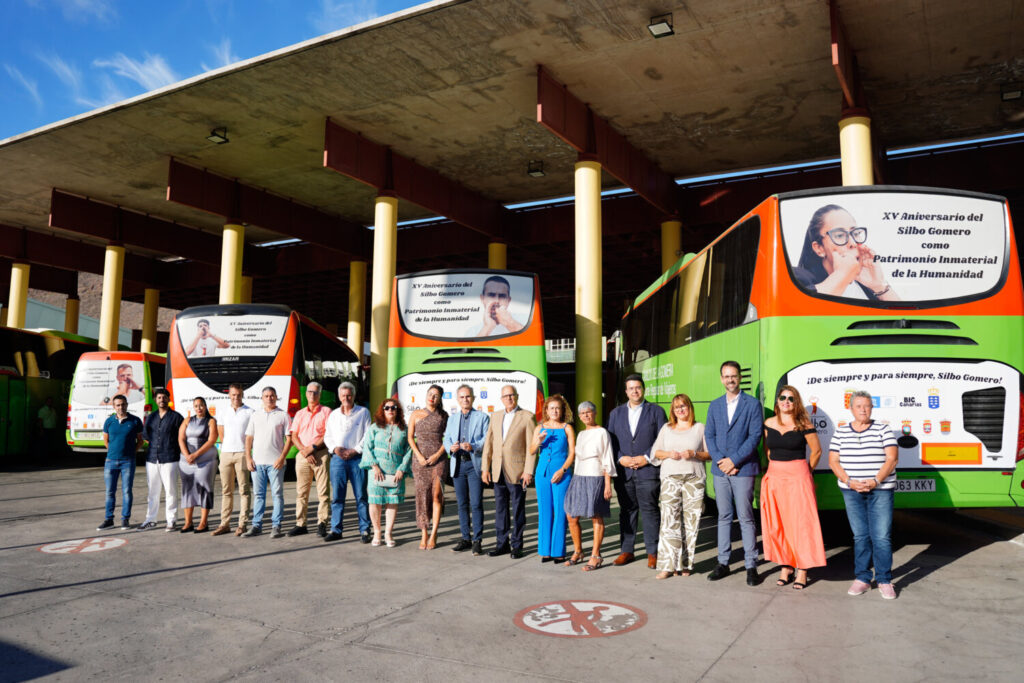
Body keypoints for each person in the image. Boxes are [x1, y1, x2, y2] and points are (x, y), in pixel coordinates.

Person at [829, 390, 899, 599]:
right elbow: (833, 461)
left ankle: (885, 580)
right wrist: (850, 482)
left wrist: (875, 481)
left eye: (867, 406)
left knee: (881, 537)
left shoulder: (883, 430)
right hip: (852, 491)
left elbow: (892, 459)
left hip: (880, 491)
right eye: (858, 406)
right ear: (851, 409)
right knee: (860, 536)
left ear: (872, 408)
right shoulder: (841, 432)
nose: (863, 409)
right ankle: (862, 578)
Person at [761, 386, 827, 589]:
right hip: (774, 477)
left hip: (798, 477)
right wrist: (777, 469)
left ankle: (803, 569)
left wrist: (805, 471)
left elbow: (816, 451)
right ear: (777, 401)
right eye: (782, 397)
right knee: (778, 523)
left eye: (791, 398)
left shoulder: (804, 424)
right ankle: (786, 566)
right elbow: (768, 450)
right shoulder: (768, 423)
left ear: (796, 402)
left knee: (802, 524)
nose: (786, 401)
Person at [706, 360, 764, 586]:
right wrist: (723, 462)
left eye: (734, 376)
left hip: (743, 468)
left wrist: (734, 460)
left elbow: (755, 436)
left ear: (739, 378)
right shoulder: (715, 405)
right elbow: (709, 436)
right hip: (721, 471)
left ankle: (751, 565)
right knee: (724, 516)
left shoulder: (752, 404)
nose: (730, 379)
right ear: (721, 379)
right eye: (726, 376)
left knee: (746, 517)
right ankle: (723, 562)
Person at [606, 374, 666, 568]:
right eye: (631, 388)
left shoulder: (656, 411)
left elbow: (662, 439)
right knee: (627, 511)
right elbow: (610, 441)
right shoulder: (616, 414)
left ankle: (653, 552)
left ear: (644, 389)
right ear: (626, 391)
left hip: (648, 470)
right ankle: (627, 550)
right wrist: (620, 458)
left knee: (650, 511)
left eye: (638, 387)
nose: (635, 391)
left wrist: (646, 458)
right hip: (625, 472)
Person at [651, 393, 710, 579]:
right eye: (677, 407)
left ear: (689, 408)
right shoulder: (667, 428)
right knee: (669, 521)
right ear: (673, 411)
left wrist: (694, 453)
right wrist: (669, 454)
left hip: (693, 478)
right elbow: (655, 453)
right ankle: (668, 566)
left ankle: (685, 564)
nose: (681, 410)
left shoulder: (699, 428)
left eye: (683, 406)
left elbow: (709, 454)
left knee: (691, 522)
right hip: (670, 478)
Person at [794, 204, 900, 301]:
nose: (853, 243)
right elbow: (801, 309)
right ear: (819, 248)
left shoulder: (865, 285)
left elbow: (903, 318)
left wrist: (879, 287)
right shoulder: (798, 279)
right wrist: (842, 275)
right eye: (840, 235)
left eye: (856, 233)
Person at [481, 385, 536, 558]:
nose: (509, 398)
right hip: (498, 470)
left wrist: (528, 471)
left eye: (512, 395)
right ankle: (501, 544)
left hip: (518, 471)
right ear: (501, 398)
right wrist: (485, 468)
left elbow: (531, 447)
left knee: (518, 509)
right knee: (500, 509)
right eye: (505, 396)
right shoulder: (495, 416)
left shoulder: (527, 417)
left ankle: (517, 545)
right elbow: (488, 444)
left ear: (517, 396)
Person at [563, 401, 615, 572]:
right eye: (582, 413)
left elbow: (607, 457)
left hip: (596, 476)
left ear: (595, 413)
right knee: (571, 515)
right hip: (579, 476)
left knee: (596, 516)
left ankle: (596, 555)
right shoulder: (581, 434)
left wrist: (607, 484)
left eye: (589, 412)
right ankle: (578, 551)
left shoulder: (602, 432)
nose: (586, 415)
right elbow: (577, 458)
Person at [359, 398, 413, 547]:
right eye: (387, 408)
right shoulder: (374, 427)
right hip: (376, 472)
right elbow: (367, 448)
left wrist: (402, 469)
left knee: (392, 502)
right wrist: (374, 466)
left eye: (393, 407)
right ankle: (377, 532)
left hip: (396, 473)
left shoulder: (405, 429)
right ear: (382, 410)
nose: (390, 410)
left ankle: (388, 533)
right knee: (375, 502)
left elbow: (409, 450)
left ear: (398, 410)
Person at [443, 384, 489, 555]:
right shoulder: (452, 419)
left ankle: (477, 540)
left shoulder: (482, 417)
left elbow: (487, 440)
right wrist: (450, 448)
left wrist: (474, 446)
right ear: (457, 399)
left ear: (473, 398)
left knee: (476, 503)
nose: (465, 400)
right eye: (462, 397)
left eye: (468, 396)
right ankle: (465, 538)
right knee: (462, 504)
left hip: (473, 464)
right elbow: (446, 439)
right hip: (458, 464)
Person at [324, 381, 372, 543]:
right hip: (338, 459)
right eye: (343, 395)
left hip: (357, 458)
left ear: (354, 395)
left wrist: (355, 450)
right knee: (337, 497)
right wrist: (335, 449)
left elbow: (368, 435)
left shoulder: (363, 412)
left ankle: (365, 530)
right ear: (339, 396)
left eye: (349, 395)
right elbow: (327, 436)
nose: (346, 398)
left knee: (361, 496)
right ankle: (336, 529)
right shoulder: (333, 415)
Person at [243, 387, 291, 539]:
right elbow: (249, 438)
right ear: (262, 398)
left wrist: (282, 458)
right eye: (266, 396)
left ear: (276, 397)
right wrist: (248, 458)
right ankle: (256, 525)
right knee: (259, 495)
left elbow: (289, 439)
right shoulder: (255, 415)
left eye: (272, 396)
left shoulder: (283, 415)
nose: (269, 398)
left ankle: (276, 526)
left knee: (277, 494)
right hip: (257, 463)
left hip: (276, 463)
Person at [532, 394, 575, 563]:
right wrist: (539, 441)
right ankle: (545, 551)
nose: (555, 411)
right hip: (542, 474)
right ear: (547, 410)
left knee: (560, 511)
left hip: (561, 473)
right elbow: (531, 451)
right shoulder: (539, 428)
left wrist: (563, 470)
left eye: (558, 408)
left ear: (562, 410)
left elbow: (572, 453)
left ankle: (558, 551)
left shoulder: (567, 428)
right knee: (544, 511)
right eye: (552, 408)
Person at [288, 382, 332, 537]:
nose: (312, 395)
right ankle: (301, 524)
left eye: (315, 392)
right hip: (303, 455)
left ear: (319, 395)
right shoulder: (300, 413)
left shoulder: (327, 412)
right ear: (306, 394)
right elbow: (294, 435)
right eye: (310, 392)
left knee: (323, 492)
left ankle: (322, 523)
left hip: (320, 454)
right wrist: (305, 451)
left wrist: (312, 448)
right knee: (301, 492)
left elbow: (328, 435)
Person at [409, 384, 448, 549]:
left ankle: (434, 534)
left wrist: (437, 455)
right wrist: (419, 456)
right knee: (422, 496)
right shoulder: (416, 414)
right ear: (426, 395)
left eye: (436, 395)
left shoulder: (444, 416)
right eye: (430, 394)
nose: (432, 397)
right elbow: (410, 437)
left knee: (436, 496)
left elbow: (449, 438)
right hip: (420, 460)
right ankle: (424, 532)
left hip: (438, 460)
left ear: (439, 399)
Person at [139, 388, 183, 531]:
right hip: (152, 459)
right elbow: (145, 435)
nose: (161, 400)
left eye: (164, 397)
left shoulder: (176, 417)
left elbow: (182, 437)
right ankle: (151, 519)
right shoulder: (151, 417)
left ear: (168, 399)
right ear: (155, 400)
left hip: (170, 458)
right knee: (153, 491)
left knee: (170, 491)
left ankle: (171, 520)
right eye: (159, 398)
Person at [97, 395, 144, 530]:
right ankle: (109, 520)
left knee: (127, 491)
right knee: (109, 492)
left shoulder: (135, 421)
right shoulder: (109, 421)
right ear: (114, 407)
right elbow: (106, 440)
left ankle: (125, 519)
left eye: (123, 404)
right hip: (110, 461)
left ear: (127, 405)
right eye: (118, 405)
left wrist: (131, 452)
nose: (121, 407)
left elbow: (140, 440)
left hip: (128, 462)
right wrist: (113, 452)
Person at [213, 384, 254, 536]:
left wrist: (247, 452)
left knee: (244, 490)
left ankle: (242, 524)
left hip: (242, 454)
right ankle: (225, 524)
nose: (235, 397)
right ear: (229, 395)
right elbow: (221, 432)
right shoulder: (223, 412)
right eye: (233, 395)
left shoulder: (250, 412)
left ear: (242, 394)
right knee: (226, 490)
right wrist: (226, 448)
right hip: (226, 454)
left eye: (238, 394)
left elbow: (251, 435)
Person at [177, 397, 219, 532]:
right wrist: (187, 455)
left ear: (205, 406)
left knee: (205, 489)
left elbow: (212, 440)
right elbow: (181, 438)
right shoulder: (187, 420)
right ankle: (188, 523)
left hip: (205, 461)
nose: (199, 408)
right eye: (196, 406)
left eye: (201, 405)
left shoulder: (211, 421)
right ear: (193, 408)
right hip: (186, 462)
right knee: (187, 490)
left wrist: (195, 455)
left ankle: (203, 523)